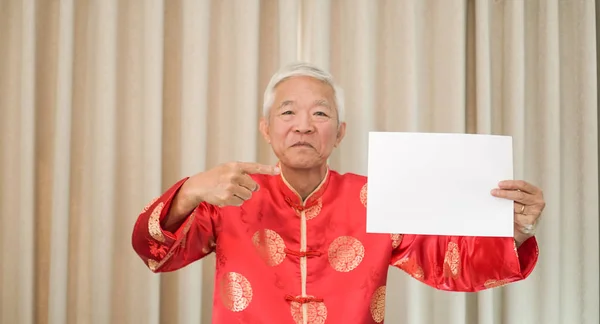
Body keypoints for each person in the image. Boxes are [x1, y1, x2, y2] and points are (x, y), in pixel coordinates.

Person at [131, 62, 545, 323]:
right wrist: (191, 191)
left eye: (321, 113)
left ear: (340, 132)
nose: (304, 125)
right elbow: (153, 251)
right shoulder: (229, 194)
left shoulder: (376, 195)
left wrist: (515, 231)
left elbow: (450, 263)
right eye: (288, 111)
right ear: (266, 129)